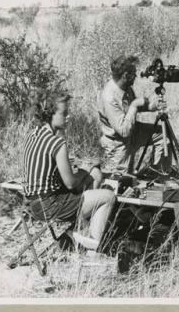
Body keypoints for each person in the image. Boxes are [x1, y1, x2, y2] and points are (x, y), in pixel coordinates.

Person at [23, 90, 116, 250]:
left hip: (31, 205)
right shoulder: (57, 143)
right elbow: (71, 184)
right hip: (50, 206)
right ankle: (92, 246)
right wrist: (84, 169)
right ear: (50, 114)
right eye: (64, 113)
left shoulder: (33, 134)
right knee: (108, 196)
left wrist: (85, 172)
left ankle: (81, 231)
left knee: (94, 175)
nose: (68, 116)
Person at [98, 55, 172, 175]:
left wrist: (151, 106)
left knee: (164, 135)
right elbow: (123, 131)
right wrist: (134, 105)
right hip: (118, 143)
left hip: (133, 131)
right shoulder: (109, 97)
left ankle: (159, 174)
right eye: (133, 74)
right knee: (123, 184)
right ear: (125, 76)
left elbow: (133, 107)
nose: (136, 76)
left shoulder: (125, 87)